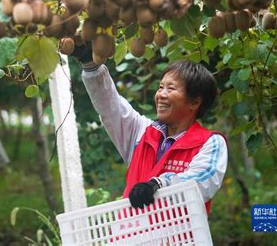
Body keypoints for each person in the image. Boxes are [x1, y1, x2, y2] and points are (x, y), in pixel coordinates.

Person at [74, 47, 227, 214]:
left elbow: (201, 183)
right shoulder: (142, 133)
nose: (161, 94)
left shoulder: (210, 143)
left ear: (194, 102)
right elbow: (110, 106)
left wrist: (158, 184)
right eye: (161, 87)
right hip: (132, 236)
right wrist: (91, 66)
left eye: (171, 89)